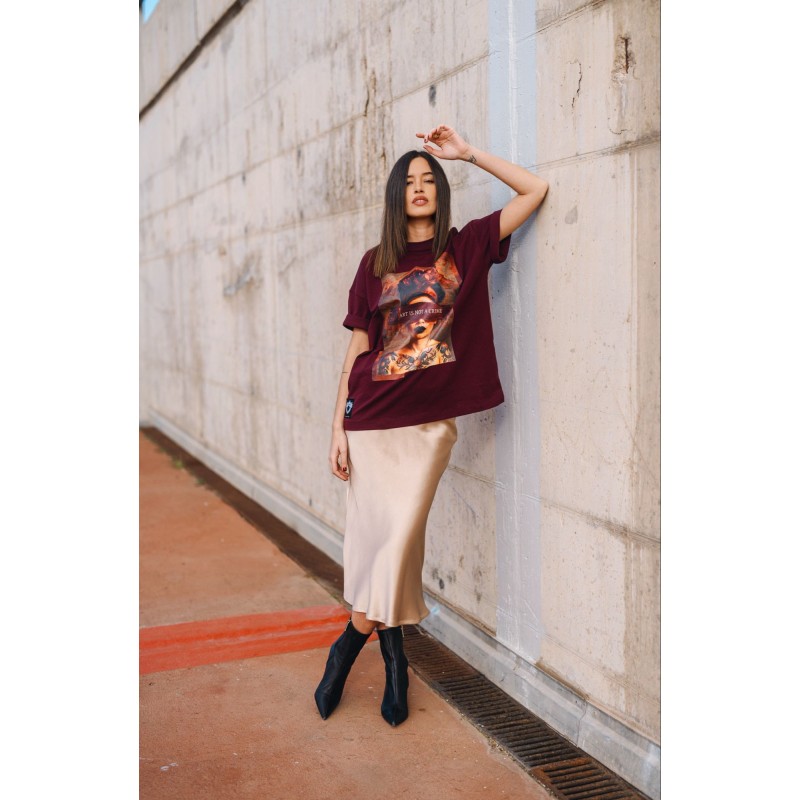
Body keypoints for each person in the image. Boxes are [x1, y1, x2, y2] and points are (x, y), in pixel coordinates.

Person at [314, 124, 549, 726]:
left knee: (396, 543)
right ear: (397, 196)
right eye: (409, 181)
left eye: (429, 179)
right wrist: (337, 426)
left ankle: (348, 645)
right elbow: (358, 350)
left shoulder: (465, 247)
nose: (419, 187)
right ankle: (395, 662)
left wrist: (468, 154)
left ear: (440, 192)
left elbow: (535, 190)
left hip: (427, 432)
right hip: (370, 422)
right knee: (383, 546)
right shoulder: (375, 265)